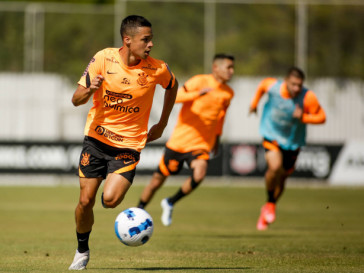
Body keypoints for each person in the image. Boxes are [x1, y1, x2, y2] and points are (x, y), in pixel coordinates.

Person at [68, 15, 178, 270]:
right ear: (127, 40)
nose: (150, 45)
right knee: (86, 201)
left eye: (151, 39)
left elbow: (173, 86)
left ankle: (122, 215)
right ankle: (82, 250)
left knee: (111, 200)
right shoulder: (103, 59)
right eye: (145, 40)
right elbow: (76, 100)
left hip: (128, 145)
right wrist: (89, 90)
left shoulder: (157, 68)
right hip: (96, 140)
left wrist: (161, 124)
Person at [137, 53, 235, 226]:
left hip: (201, 144)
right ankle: (139, 210)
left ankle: (170, 202)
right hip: (179, 143)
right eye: (228, 67)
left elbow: (221, 118)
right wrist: (197, 94)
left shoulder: (228, 93)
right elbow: (176, 97)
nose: (231, 71)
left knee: (200, 172)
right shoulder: (199, 81)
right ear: (215, 68)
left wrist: (217, 140)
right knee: (156, 182)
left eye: (233, 68)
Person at [249, 67, 326, 231]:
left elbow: (322, 117)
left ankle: (269, 206)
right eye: (293, 84)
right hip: (272, 135)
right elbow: (262, 86)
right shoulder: (273, 86)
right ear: (286, 81)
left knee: (283, 178)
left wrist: (304, 117)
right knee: (275, 167)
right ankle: (270, 202)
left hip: (293, 142)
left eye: (299, 85)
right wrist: (254, 104)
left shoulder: (308, 97)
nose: (296, 88)